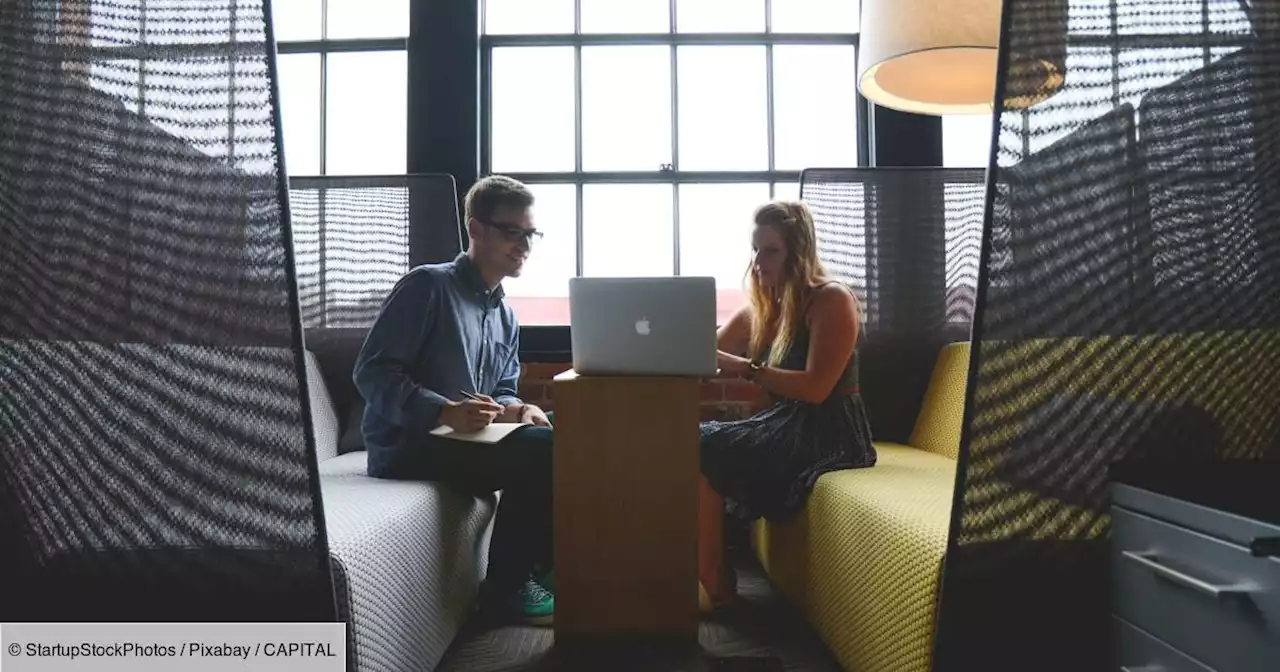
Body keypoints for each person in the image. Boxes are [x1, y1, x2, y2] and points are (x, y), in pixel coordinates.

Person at [352, 175, 556, 625]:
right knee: (545, 450)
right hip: (408, 446)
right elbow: (371, 372)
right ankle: (504, 591)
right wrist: (443, 411)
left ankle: (546, 564)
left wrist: (518, 408)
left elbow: (502, 386)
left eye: (530, 234)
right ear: (476, 229)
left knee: (563, 428)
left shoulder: (505, 315)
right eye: (511, 231)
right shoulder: (427, 286)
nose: (524, 244)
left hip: (468, 441)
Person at [697, 199, 876, 610]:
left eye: (770, 250)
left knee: (704, 444)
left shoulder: (830, 300)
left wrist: (744, 367)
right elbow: (704, 355)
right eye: (755, 250)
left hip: (830, 430)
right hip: (783, 422)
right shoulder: (762, 308)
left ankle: (714, 578)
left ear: (798, 252)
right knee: (693, 440)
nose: (758, 261)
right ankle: (707, 570)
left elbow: (816, 389)